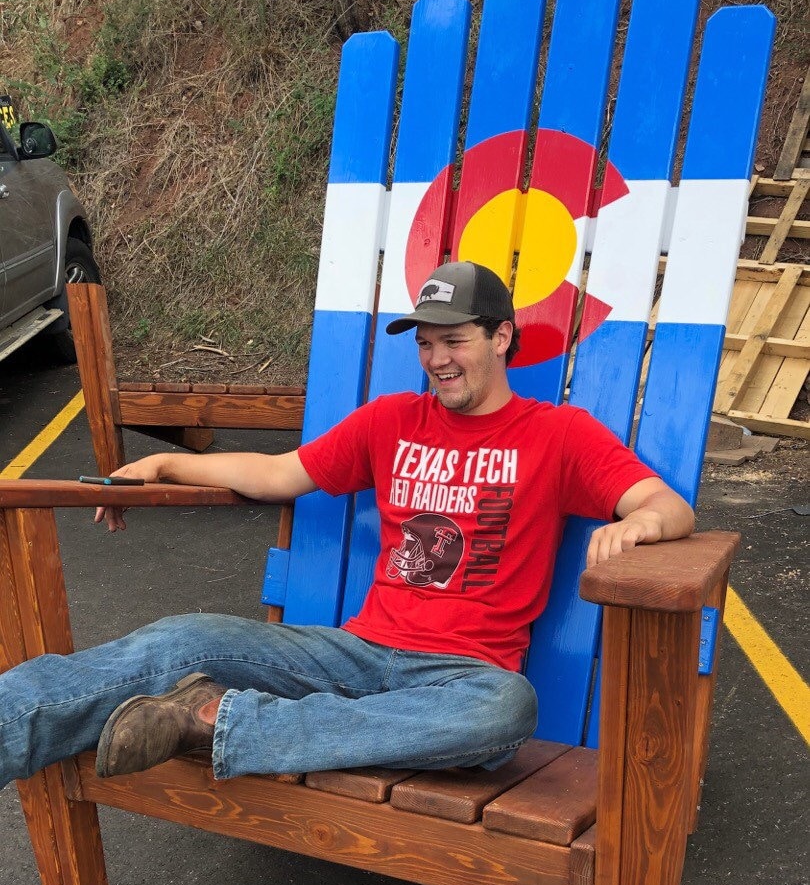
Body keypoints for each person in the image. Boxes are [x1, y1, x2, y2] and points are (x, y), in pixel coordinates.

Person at [0, 261, 694, 790]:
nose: (438, 361)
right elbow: (279, 473)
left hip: (460, 679)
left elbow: (667, 506)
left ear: (502, 336)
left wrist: (639, 528)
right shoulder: (392, 420)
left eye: (454, 341)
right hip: (350, 655)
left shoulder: (558, 436)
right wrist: (161, 467)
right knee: (180, 638)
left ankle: (216, 719)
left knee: (508, 710)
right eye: (426, 345)